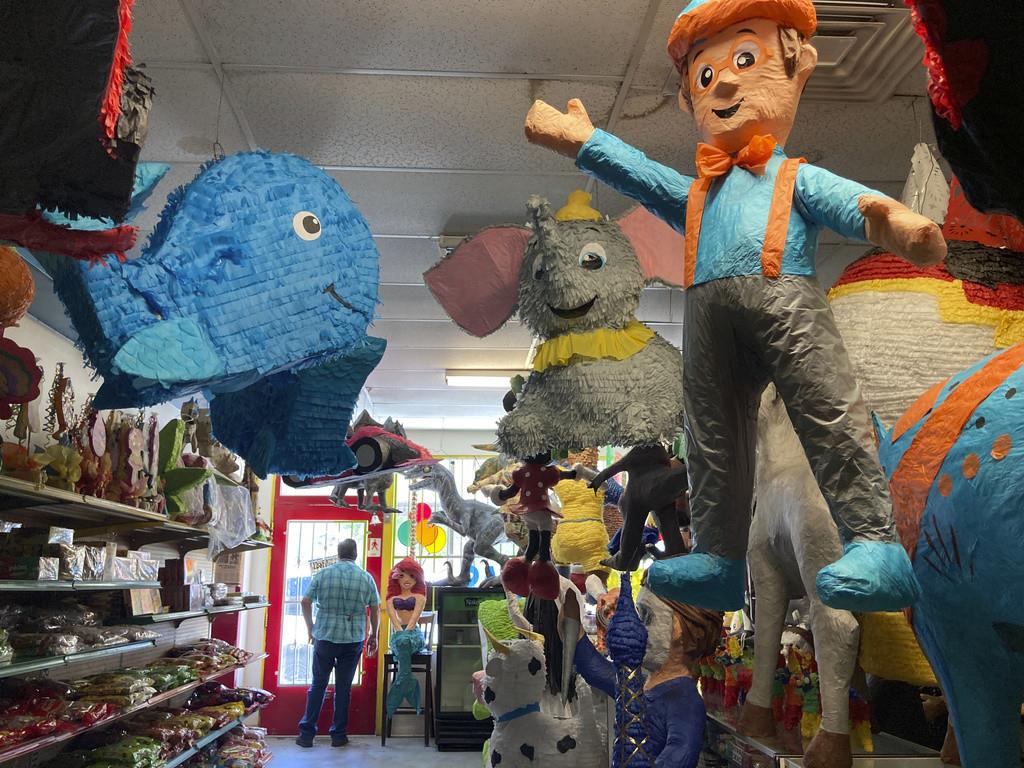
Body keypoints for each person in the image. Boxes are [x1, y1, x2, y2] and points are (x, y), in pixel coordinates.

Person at [524, 0, 946, 612]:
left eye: (745, 60)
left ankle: (875, 542)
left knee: (828, 413)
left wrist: (901, 224)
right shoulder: (696, 196)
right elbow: (642, 176)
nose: (721, 80)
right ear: (687, 99)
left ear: (796, 66)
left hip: (788, 308)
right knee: (711, 441)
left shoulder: (793, 176)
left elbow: (856, 205)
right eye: (704, 74)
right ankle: (720, 559)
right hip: (710, 330)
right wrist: (583, 142)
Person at [297, 538, 379, 748]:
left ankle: (307, 735)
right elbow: (375, 607)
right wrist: (374, 635)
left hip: (324, 636)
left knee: (318, 684)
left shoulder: (323, 574)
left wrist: (310, 628)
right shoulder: (366, 577)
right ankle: (339, 735)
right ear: (355, 554)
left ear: (338, 553)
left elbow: (305, 601)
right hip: (352, 639)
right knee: (343, 688)